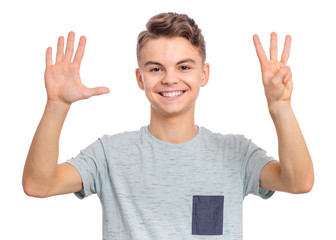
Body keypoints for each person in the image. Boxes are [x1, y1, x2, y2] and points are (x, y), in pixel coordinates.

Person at [22, 12, 314, 239]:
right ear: (140, 79)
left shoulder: (236, 153)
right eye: (155, 68)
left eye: (184, 66)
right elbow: (38, 185)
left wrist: (280, 107)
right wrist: (57, 106)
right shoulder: (109, 154)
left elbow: (299, 182)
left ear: (204, 74)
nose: (170, 79)